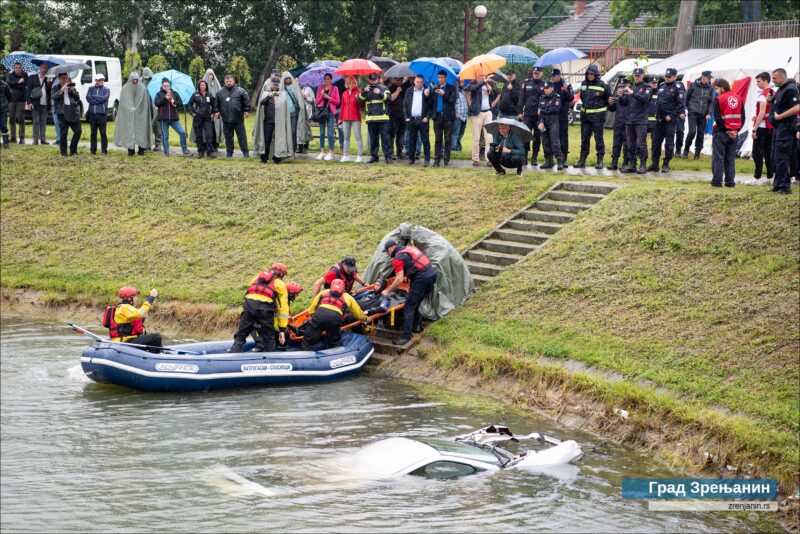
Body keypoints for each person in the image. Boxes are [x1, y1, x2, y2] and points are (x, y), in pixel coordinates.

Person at [382, 240, 438, 346]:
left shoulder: (397, 259)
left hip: (422, 278)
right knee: (417, 301)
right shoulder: (409, 249)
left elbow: (399, 279)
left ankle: (406, 337)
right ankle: (416, 327)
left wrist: (387, 291)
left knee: (409, 306)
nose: (387, 254)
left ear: (390, 249)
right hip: (432, 274)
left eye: (387, 252)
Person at [229, 262, 289, 353]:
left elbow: (250, 291)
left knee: (240, 336)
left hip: (249, 306)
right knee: (269, 338)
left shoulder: (256, 277)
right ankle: (271, 359)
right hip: (265, 310)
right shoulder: (280, 284)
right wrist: (282, 330)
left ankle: (232, 355)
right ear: (281, 274)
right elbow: (283, 308)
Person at [302, 279, 368, 350]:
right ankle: (333, 354)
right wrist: (365, 318)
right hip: (335, 318)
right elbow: (357, 313)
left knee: (308, 340)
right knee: (334, 341)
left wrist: (313, 317)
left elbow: (312, 308)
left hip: (319, 314)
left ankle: (305, 352)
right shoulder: (348, 297)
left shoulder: (323, 292)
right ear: (343, 287)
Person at [768, 68, 800, 194]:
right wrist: (770, 100)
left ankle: (784, 187)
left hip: (785, 127)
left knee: (781, 156)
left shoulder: (790, 89)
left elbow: (797, 107)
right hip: (778, 128)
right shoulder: (781, 89)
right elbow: (779, 106)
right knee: (775, 156)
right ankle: (778, 184)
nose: (773, 80)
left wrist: (779, 117)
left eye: (774, 78)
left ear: (782, 77)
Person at [102, 286, 162, 351]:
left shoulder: (121, 307)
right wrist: (151, 297)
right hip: (125, 342)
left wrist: (142, 318)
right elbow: (140, 313)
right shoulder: (125, 308)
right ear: (129, 298)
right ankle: (156, 357)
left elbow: (129, 325)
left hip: (124, 340)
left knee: (147, 338)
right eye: (135, 296)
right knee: (156, 337)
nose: (136, 298)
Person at [648, 67, 685, 173]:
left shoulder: (678, 87)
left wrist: (672, 115)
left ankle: (666, 163)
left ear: (675, 77)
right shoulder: (662, 86)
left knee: (669, 143)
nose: (667, 78)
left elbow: (680, 104)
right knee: (655, 142)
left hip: (669, 119)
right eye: (666, 76)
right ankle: (655, 163)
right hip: (659, 118)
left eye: (669, 77)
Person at [710, 78, 745, 188]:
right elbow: (742, 118)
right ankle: (730, 182)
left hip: (721, 132)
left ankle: (717, 181)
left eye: (717, 88)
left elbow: (717, 118)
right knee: (730, 158)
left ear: (722, 88)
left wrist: (727, 130)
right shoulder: (739, 98)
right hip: (734, 134)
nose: (716, 91)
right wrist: (735, 131)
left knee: (718, 157)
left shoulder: (718, 99)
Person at [575, 64, 610, 169]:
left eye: (592, 74)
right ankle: (582, 160)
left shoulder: (603, 85)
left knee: (598, 139)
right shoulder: (583, 84)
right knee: (584, 139)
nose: (590, 76)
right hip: (585, 117)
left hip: (598, 117)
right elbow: (582, 97)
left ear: (596, 74)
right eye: (588, 74)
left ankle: (600, 160)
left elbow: (609, 100)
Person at [253, 76, 293, 163]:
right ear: (271, 84)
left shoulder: (282, 95)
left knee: (280, 139)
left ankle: (278, 157)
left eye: (276, 85)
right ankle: (264, 157)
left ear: (279, 85)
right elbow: (261, 103)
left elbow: (284, 109)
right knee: (267, 139)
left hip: (279, 122)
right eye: (274, 84)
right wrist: (269, 96)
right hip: (268, 121)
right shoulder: (265, 93)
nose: (275, 86)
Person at [619, 68, 652, 174]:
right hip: (630, 120)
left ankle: (643, 165)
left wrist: (632, 92)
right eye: (635, 75)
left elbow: (645, 99)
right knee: (630, 144)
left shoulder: (647, 87)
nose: (637, 77)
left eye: (638, 75)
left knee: (641, 143)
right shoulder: (631, 87)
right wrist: (621, 96)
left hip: (641, 120)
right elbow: (624, 103)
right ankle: (632, 164)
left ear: (642, 76)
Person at [357, 72, 393, 164]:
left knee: (385, 138)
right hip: (371, 118)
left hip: (383, 118)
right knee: (373, 139)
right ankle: (374, 156)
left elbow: (389, 99)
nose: (373, 81)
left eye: (375, 79)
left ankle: (388, 157)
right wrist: (364, 92)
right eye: (371, 79)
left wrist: (380, 93)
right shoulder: (366, 89)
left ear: (378, 78)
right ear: (369, 80)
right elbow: (359, 101)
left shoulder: (384, 88)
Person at [114, 72, 153, 156]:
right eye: (133, 79)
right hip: (128, 115)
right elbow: (124, 101)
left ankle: (141, 149)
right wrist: (130, 109)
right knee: (129, 131)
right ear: (130, 79)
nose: (135, 81)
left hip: (141, 114)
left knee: (141, 131)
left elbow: (144, 102)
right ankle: (130, 150)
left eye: (136, 79)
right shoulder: (125, 88)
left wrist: (137, 110)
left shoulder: (142, 88)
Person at [216, 74, 250, 157]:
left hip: (238, 118)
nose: (228, 83)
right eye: (227, 81)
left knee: (242, 136)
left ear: (233, 81)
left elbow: (246, 101)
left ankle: (245, 153)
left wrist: (246, 110)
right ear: (224, 82)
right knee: (228, 137)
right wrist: (216, 111)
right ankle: (229, 153)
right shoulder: (219, 92)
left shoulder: (241, 91)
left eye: (230, 81)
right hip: (226, 119)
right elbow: (216, 103)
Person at [682, 70, 714, 159]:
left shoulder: (710, 88)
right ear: (703, 77)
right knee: (692, 132)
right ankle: (686, 150)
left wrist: (709, 113)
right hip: (692, 113)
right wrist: (685, 109)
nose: (709, 80)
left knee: (700, 134)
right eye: (709, 78)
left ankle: (697, 153)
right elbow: (686, 97)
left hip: (703, 115)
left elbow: (711, 102)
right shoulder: (693, 85)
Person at [189, 69, 223, 152]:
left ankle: (214, 146)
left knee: (213, 130)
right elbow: (191, 103)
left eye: (212, 75)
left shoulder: (217, 87)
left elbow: (217, 101)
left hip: (213, 113)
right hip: (200, 114)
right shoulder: (197, 92)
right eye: (209, 75)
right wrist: (193, 113)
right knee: (201, 132)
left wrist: (215, 112)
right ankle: (202, 147)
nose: (210, 76)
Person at [403, 74, 433, 166]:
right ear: (414, 82)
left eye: (421, 82)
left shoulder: (427, 91)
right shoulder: (409, 91)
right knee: (411, 140)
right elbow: (405, 105)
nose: (419, 84)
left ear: (423, 82)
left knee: (425, 140)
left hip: (423, 120)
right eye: (417, 82)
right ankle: (411, 159)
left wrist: (427, 117)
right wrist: (406, 117)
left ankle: (427, 160)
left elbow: (431, 106)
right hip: (411, 119)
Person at [154, 78, 189, 156]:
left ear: (170, 85)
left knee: (182, 133)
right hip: (163, 119)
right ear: (162, 86)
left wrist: (174, 101)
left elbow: (180, 104)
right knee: (165, 136)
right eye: (164, 86)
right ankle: (166, 152)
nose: (166, 87)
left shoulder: (175, 93)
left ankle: (185, 149)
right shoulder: (159, 94)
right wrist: (165, 98)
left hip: (174, 118)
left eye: (168, 85)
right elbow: (156, 103)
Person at [468, 71, 495, 166]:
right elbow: (473, 90)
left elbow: (492, 96)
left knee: (489, 137)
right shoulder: (473, 84)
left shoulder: (487, 85)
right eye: (480, 75)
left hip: (487, 112)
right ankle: (475, 159)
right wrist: (483, 82)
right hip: (477, 113)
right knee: (476, 137)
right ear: (476, 76)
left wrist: (489, 90)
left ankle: (489, 159)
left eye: (484, 75)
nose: (483, 77)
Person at [52, 72, 82, 157]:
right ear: (59, 78)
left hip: (72, 111)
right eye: (63, 78)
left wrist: (73, 90)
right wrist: (62, 89)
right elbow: (54, 97)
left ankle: (73, 150)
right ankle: (64, 153)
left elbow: (77, 98)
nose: (65, 80)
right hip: (62, 113)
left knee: (78, 131)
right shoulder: (55, 88)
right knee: (63, 133)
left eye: (66, 78)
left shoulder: (70, 87)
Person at [751, 72, 774, 180]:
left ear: (765, 81)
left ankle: (757, 176)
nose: (757, 84)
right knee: (768, 152)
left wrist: (754, 128)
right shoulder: (774, 93)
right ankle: (770, 175)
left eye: (758, 81)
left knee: (757, 153)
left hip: (762, 127)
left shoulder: (763, 96)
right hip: (771, 127)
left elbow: (761, 113)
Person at [431, 70, 456, 167]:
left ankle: (446, 159)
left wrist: (444, 94)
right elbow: (431, 103)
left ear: (445, 78)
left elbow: (452, 101)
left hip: (448, 117)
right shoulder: (435, 88)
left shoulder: (451, 88)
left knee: (448, 139)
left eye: (442, 77)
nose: (440, 79)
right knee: (437, 139)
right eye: (439, 77)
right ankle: (437, 160)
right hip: (437, 117)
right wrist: (429, 93)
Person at [282, 71, 310, 154]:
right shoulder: (281, 89)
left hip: (293, 113)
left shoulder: (295, 87)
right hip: (284, 113)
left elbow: (300, 100)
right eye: (286, 79)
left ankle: (294, 149)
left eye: (288, 78)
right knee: (287, 132)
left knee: (293, 131)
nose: (287, 80)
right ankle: (287, 148)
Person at [606, 77, 631, 171]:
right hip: (618, 123)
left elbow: (624, 102)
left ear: (628, 85)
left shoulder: (630, 95)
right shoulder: (618, 95)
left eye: (623, 86)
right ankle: (614, 162)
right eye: (620, 86)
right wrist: (611, 104)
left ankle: (625, 163)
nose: (621, 88)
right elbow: (612, 109)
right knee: (616, 144)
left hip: (627, 123)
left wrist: (620, 96)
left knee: (626, 145)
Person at [188, 79, 218, 159]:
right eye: (201, 85)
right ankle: (200, 152)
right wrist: (192, 113)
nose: (203, 86)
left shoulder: (209, 94)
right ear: (199, 86)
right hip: (197, 117)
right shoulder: (195, 94)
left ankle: (210, 153)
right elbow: (189, 104)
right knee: (198, 135)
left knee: (209, 135)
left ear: (206, 86)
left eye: (204, 85)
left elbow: (214, 104)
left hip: (207, 118)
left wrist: (213, 112)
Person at [538, 81, 563, 170]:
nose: (546, 90)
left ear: (552, 88)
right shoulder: (542, 98)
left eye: (547, 88)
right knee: (545, 142)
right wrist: (541, 121)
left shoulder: (557, 97)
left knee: (554, 141)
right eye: (544, 88)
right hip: (544, 122)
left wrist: (545, 109)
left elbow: (556, 109)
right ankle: (548, 161)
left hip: (553, 122)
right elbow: (540, 112)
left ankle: (559, 161)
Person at [315, 73, 341, 161]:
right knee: (322, 133)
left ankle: (331, 151)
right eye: (325, 78)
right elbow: (317, 101)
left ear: (331, 79)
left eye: (328, 78)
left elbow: (338, 102)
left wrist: (328, 97)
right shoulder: (320, 88)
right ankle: (322, 151)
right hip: (322, 112)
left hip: (330, 112)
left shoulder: (335, 88)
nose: (327, 80)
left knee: (330, 133)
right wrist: (322, 96)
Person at [550, 69, 573, 160]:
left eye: (554, 76)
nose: (553, 78)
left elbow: (571, 98)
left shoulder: (566, 85)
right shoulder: (551, 85)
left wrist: (566, 91)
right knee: (552, 136)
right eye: (551, 76)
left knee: (563, 136)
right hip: (553, 115)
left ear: (559, 75)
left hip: (563, 115)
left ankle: (564, 157)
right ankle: (550, 157)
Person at [25, 62, 51, 145]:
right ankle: (35, 139)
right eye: (43, 68)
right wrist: (29, 102)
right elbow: (28, 91)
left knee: (43, 122)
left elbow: (49, 92)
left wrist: (49, 84)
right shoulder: (32, 78)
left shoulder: (48, 79)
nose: (45, 70)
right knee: (36, 121)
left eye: (46, 68)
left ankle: (43, 139)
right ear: (40, 68)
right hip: (35, 103)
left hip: (45, 103)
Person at [340, 76, 364, 163]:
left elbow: (362, 106)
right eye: (350, 83)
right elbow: (342, 106)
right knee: (346, 137)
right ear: (347, 84)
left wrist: (359, 99)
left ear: (355, 83)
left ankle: (359, 156)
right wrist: (340, 118)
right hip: (345, 118)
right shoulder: (344, 93)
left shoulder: (359, 92)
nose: (352, 85)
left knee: (358, 136)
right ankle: (345, 155)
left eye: (353, 83)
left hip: (355, 118)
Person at [86, 73, 110, 155]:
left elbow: (104, 98)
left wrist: (94, 96)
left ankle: (104, 151)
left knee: (103, 133)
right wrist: (98, 99)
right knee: (93, 133)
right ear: (96, 80)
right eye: (99, 80)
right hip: (92, 114)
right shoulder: (90, 89)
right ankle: (93, 151)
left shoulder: (107, 90)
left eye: (102, 80)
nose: (101, 81)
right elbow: (88, 98)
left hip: (102, 114)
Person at [388, 77, 410, 160]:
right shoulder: (390, 87)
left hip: (403, 115)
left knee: (401, 135)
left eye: (400, 80)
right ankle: (390, 153)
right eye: (397, 80)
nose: (399, 81)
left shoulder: (406, 87)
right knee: (391, 134)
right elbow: (390, 99)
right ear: (394, 79)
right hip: (393, 115)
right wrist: (397, 90)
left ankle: (399, 152)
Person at [142, 68, 162, 151]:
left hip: (155, 106)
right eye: (146, 78)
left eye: (149, 78)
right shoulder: (141, 81)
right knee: (146, 125)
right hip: (145, 106)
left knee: (157, 126)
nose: (148, 79)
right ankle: (147, 144)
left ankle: (158, 144)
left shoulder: (157, 81)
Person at [6, 62, 27, 144]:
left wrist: (16, 84)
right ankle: (13, 137)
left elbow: (23, 86)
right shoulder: (10, 75)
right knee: (11, 119)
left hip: (21, 100)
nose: (18, 69)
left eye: (19, 68)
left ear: (21, 68)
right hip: (11, 100)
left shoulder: (25, 75)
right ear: (14, 68)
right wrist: (18, 82)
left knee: (20, 118)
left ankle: (22, 138)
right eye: (16, 68)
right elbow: (8, 83)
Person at [452, 79, 468, 152]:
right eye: (462, 82)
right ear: (457, 83)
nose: (463, 83)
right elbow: (452, 103)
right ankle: (453, 148)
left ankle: (458, 147)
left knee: (461, 133)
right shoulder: (455, 92)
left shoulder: (462, 91)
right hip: (458, 116)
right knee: (455, 133)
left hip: (464, 116)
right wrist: (455, 113)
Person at [299, 83, 315, 154]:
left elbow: (313, 100)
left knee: (306, 130)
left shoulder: (308, 89)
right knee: (299, 130)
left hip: (307, 113)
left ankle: (305, 147)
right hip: (299, 113)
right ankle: (299, 147)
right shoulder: (296, 89)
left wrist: (306, 98)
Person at [0, 74, 11, 149]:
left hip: (3, 109)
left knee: (3, 126)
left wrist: (5, 104)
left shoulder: (5, 85)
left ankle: (5, 142)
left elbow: (9, 97)